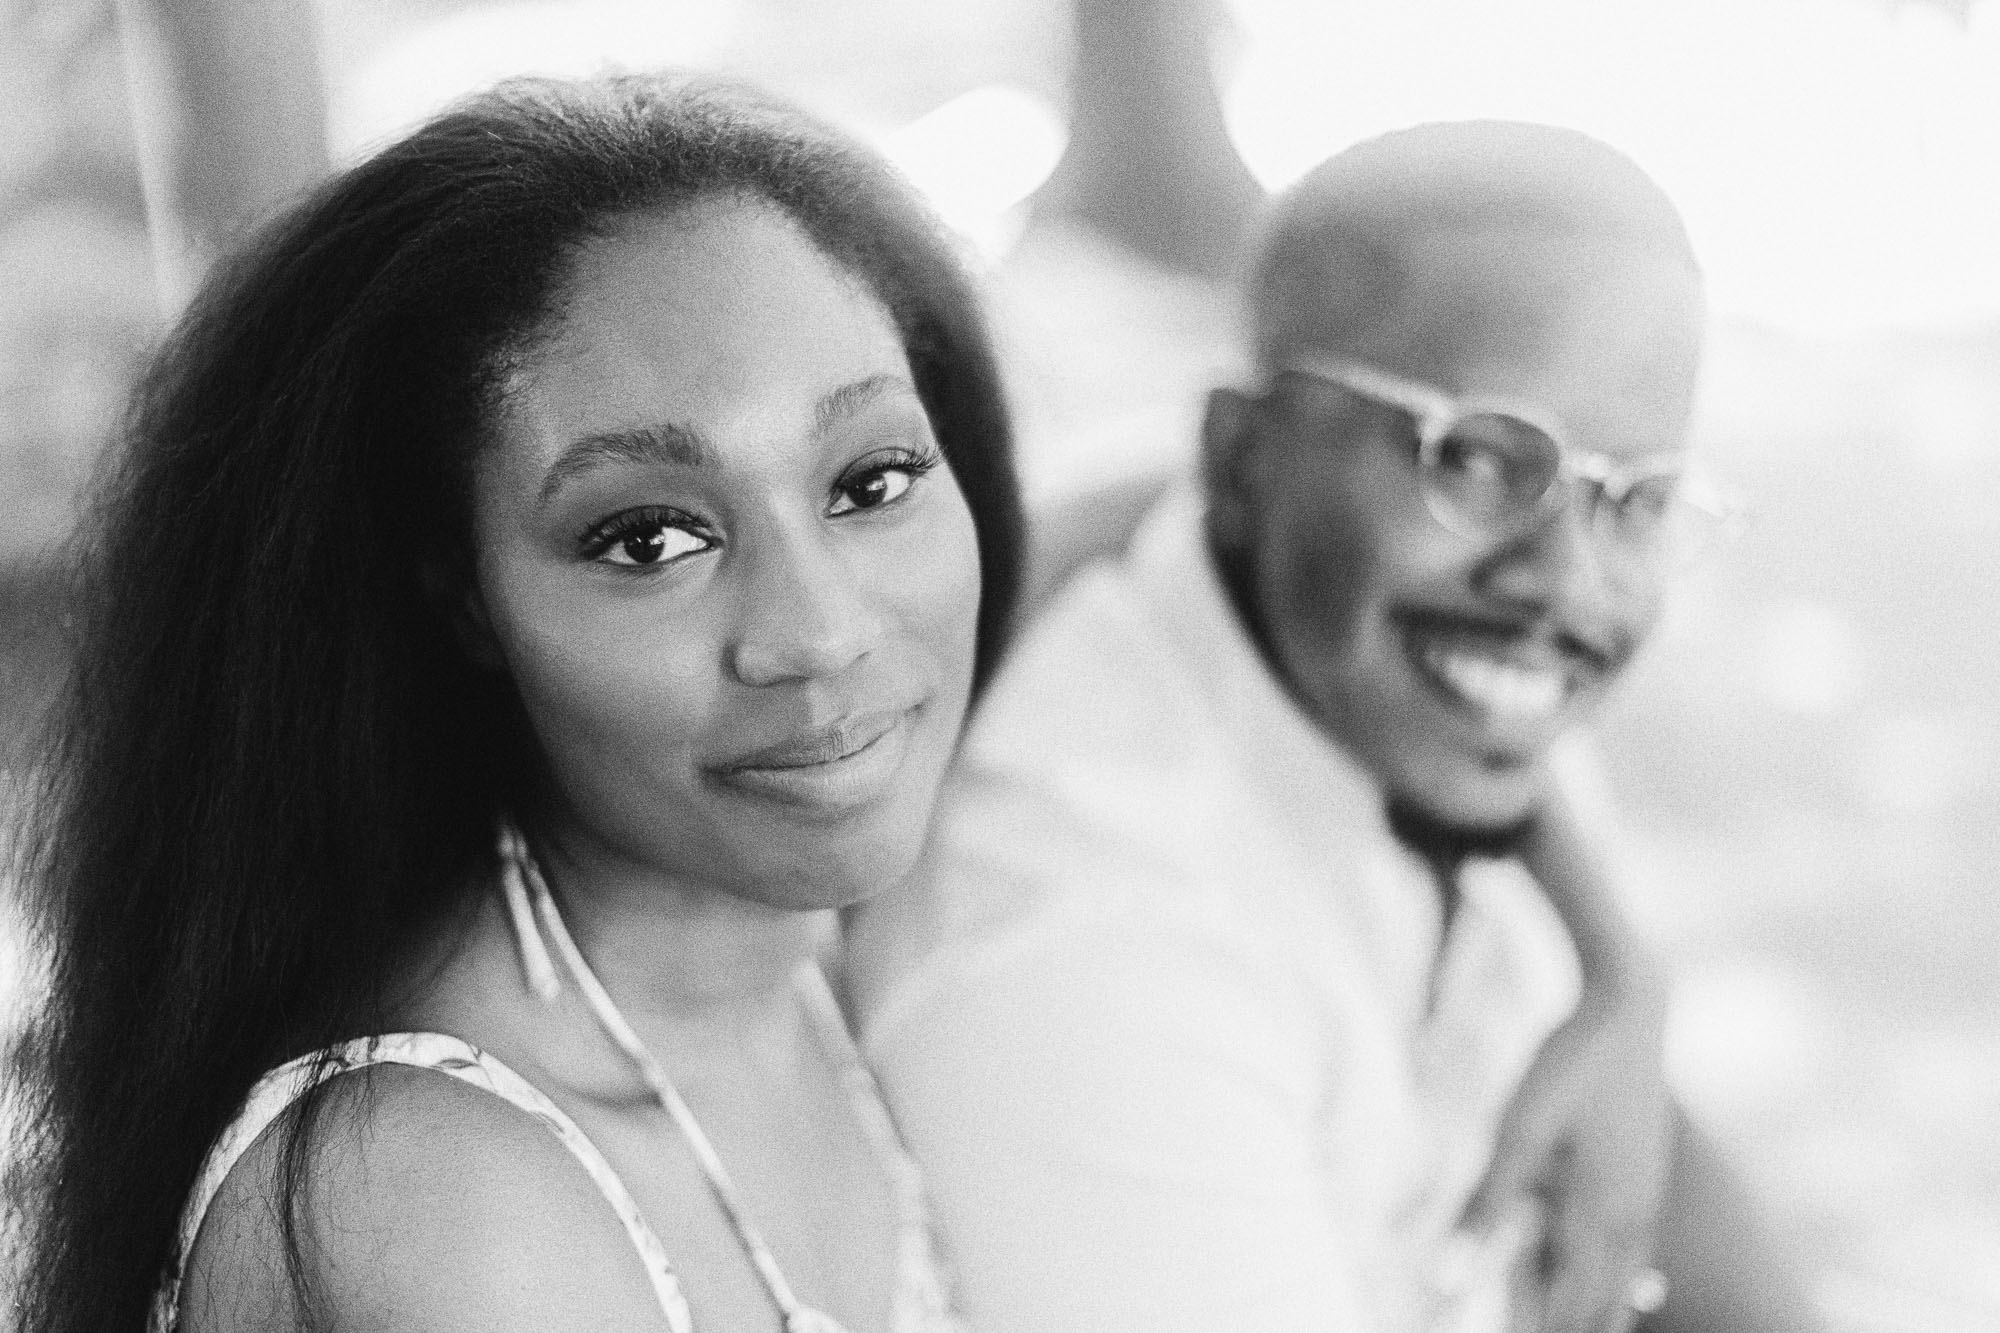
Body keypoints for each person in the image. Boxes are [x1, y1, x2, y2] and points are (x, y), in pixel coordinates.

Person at [5, 74, 1022, 1333]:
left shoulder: (820, 960)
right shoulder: (442, 1207)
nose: (818, 633)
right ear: (460, 600)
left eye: (871, 481)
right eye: (649, 540)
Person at [851, 121, 1816, 1333]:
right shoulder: (1092, 963)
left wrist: (1622, 973)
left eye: (1636, 499)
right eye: (1474, 460)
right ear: (1242, 458)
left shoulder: (1415, 688)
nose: (1567, 583)